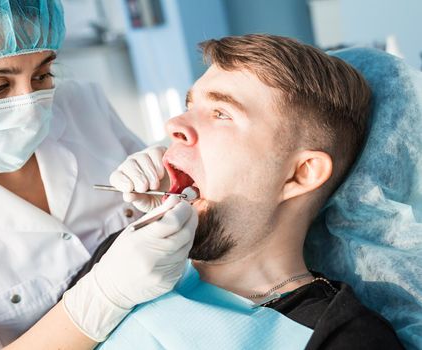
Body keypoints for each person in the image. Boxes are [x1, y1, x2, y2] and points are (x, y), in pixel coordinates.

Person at [0, 1, 197, 349]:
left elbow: (180, 209)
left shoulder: (81, 104)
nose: (29, 102)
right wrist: (103, 296)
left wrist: (172, 181)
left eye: (42, 75)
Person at [99, 34, 405, 348]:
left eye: (221, 113)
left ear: (300, 174)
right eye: (189, 106)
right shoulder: (125, 257)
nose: (174, 124)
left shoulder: (346, 339)